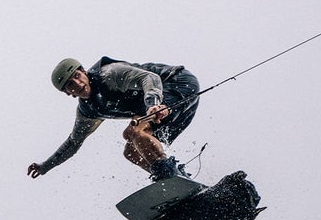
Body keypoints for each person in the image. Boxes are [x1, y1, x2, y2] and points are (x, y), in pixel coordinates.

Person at [26, 57, 202, 182]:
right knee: (131, 151)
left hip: (178, 84)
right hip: (163, 108)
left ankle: (169, 176)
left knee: (135, 132)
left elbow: (150, 78)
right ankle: (176, 179)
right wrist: (44, 167)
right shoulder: (88, 111)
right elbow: (73, 143)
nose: (78, 84)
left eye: (77, 77)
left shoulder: (109, 74)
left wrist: (153, 103)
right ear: (68, 93)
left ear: (84, 72)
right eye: (71, 85)